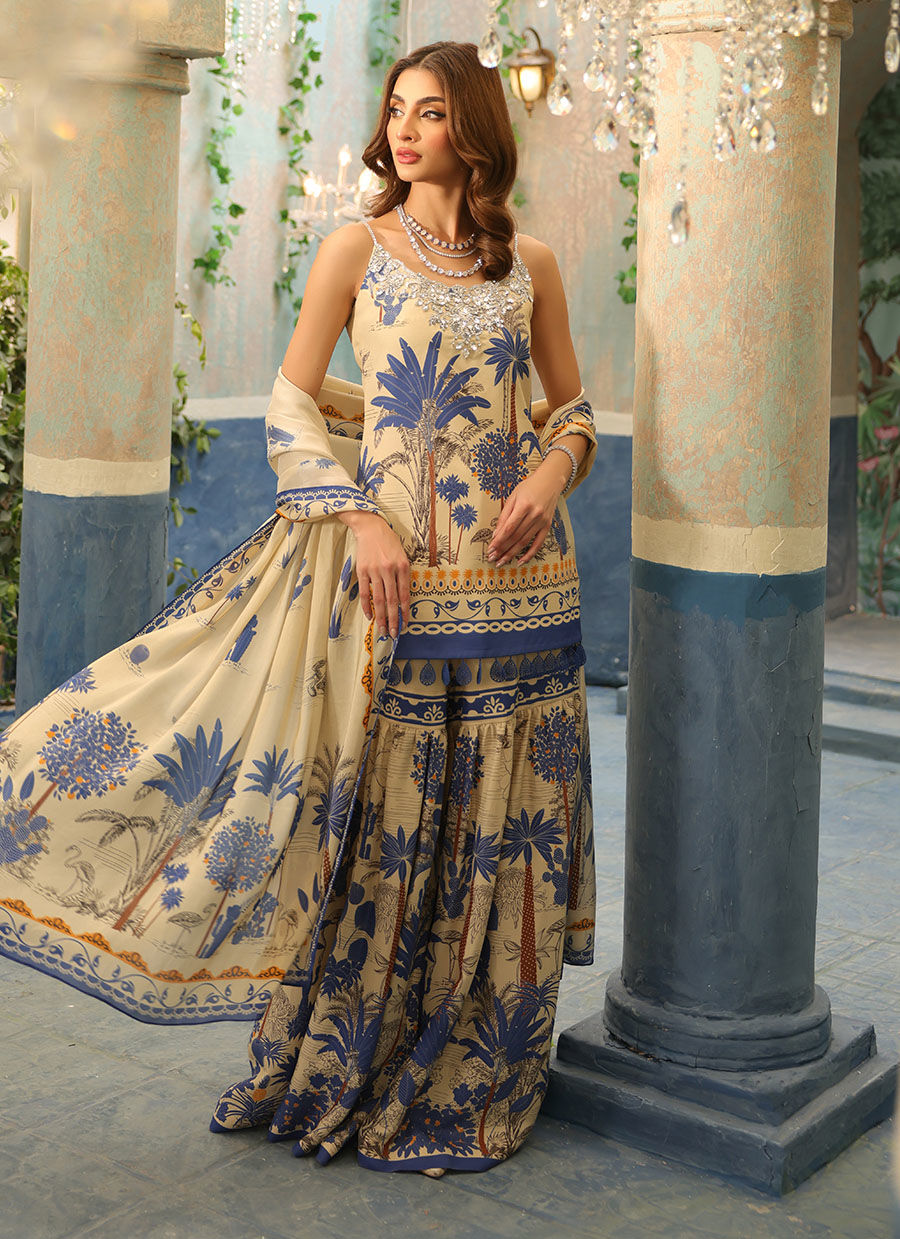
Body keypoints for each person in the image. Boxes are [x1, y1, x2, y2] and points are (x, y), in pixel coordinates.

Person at [0, 41, 597, 1174]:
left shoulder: (532, 267)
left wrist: (554, 471)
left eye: (430, 111)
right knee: (384, 822)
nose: (404, 128)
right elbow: (290, 401)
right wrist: (357, 514)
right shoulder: (356, 249)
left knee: (502, 822)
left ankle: (479, 1055)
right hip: (399, 581)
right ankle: (350, 1054)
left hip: (526, 584)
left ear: (475, 128)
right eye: (396, 108)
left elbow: (572, 410)